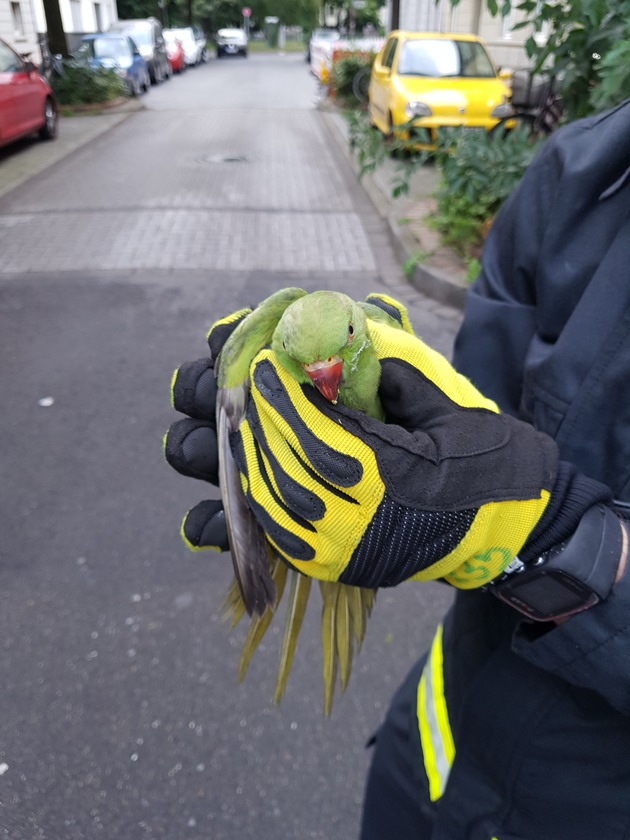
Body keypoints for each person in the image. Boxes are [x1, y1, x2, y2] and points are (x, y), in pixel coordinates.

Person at [165, 98, 630, 839]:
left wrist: (555, 541)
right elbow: (478, 410)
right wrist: (415, 445)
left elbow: (509, 499)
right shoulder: (582, 169)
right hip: (433, 747)